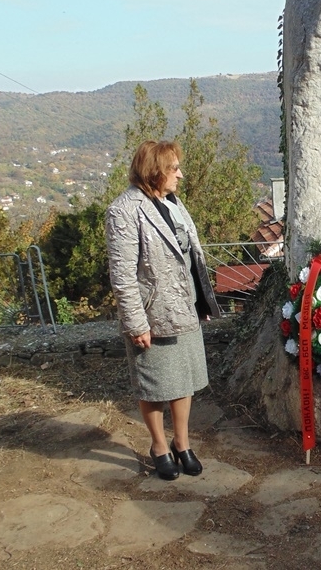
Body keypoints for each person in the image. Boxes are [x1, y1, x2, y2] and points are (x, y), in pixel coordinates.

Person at [105, 140, 220, 481]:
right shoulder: (123, 210)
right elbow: (123, 275)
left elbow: (190, 256)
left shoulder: (172, 202)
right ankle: (158, 446)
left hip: (183, 310)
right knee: (154, 386)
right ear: (154, 171)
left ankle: (182, 443)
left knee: (184, 380)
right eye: (174, 169)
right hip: (152, 316)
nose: (180, 175)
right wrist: (136, 322)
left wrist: (201, 300)